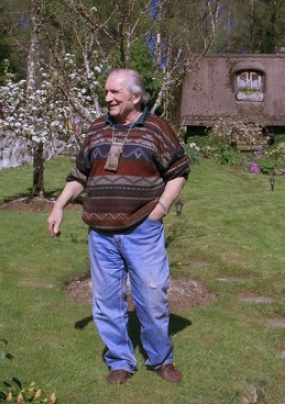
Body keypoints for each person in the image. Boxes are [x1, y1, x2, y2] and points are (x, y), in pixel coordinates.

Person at [47, 68, 189, 385]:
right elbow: (80, 175)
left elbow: (179, 171)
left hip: (142, 229)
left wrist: (161, 209)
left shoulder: (157, 129)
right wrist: (59, 205)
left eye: (115, 92)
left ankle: (161, 359)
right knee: (107, 301)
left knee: (152, 298)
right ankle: (120, 361)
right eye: (106, 91)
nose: (107, 97)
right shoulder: (97, 129)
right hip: (101, 233)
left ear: (135, 97)